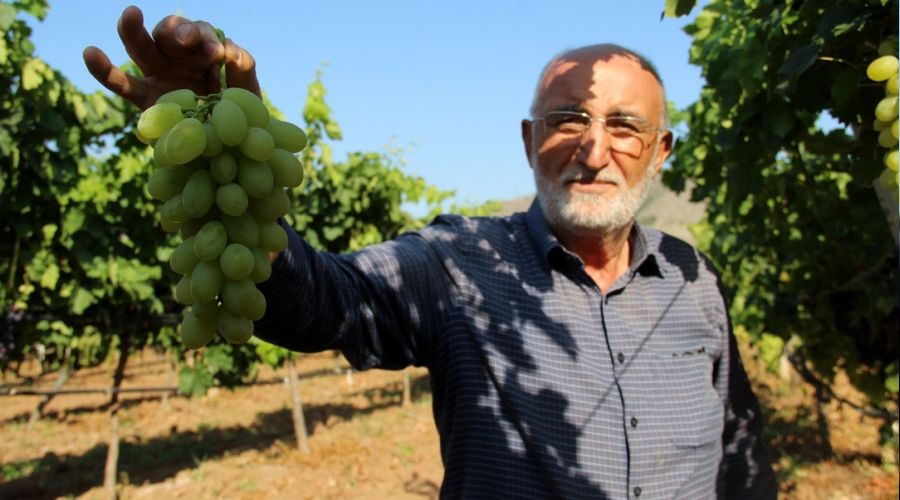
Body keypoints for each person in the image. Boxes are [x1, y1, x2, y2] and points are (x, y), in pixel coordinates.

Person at [85, 6, 777, 499]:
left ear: (660, 152)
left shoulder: (695, 280)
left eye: (625, 127)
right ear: (529, 140)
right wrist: (228, 171)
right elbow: (325, 303)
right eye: (568, 119)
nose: (595, 150)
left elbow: (742, 461)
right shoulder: (458, 262)